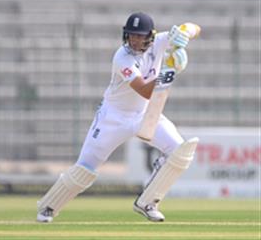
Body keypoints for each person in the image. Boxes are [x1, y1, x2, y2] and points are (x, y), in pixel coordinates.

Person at [36, 12, 198, 223]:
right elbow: (145, 90)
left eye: (140, 36)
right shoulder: (122, 58)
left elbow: (195, 27)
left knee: (179, 152)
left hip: (144, 113)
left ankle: (148, 202)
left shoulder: (160, 41)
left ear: (151, 35)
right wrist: (170, 69)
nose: (135, 40)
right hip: (112, 117)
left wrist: (184, 34)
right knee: (85, 167)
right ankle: (49, 206)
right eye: (131, 35)